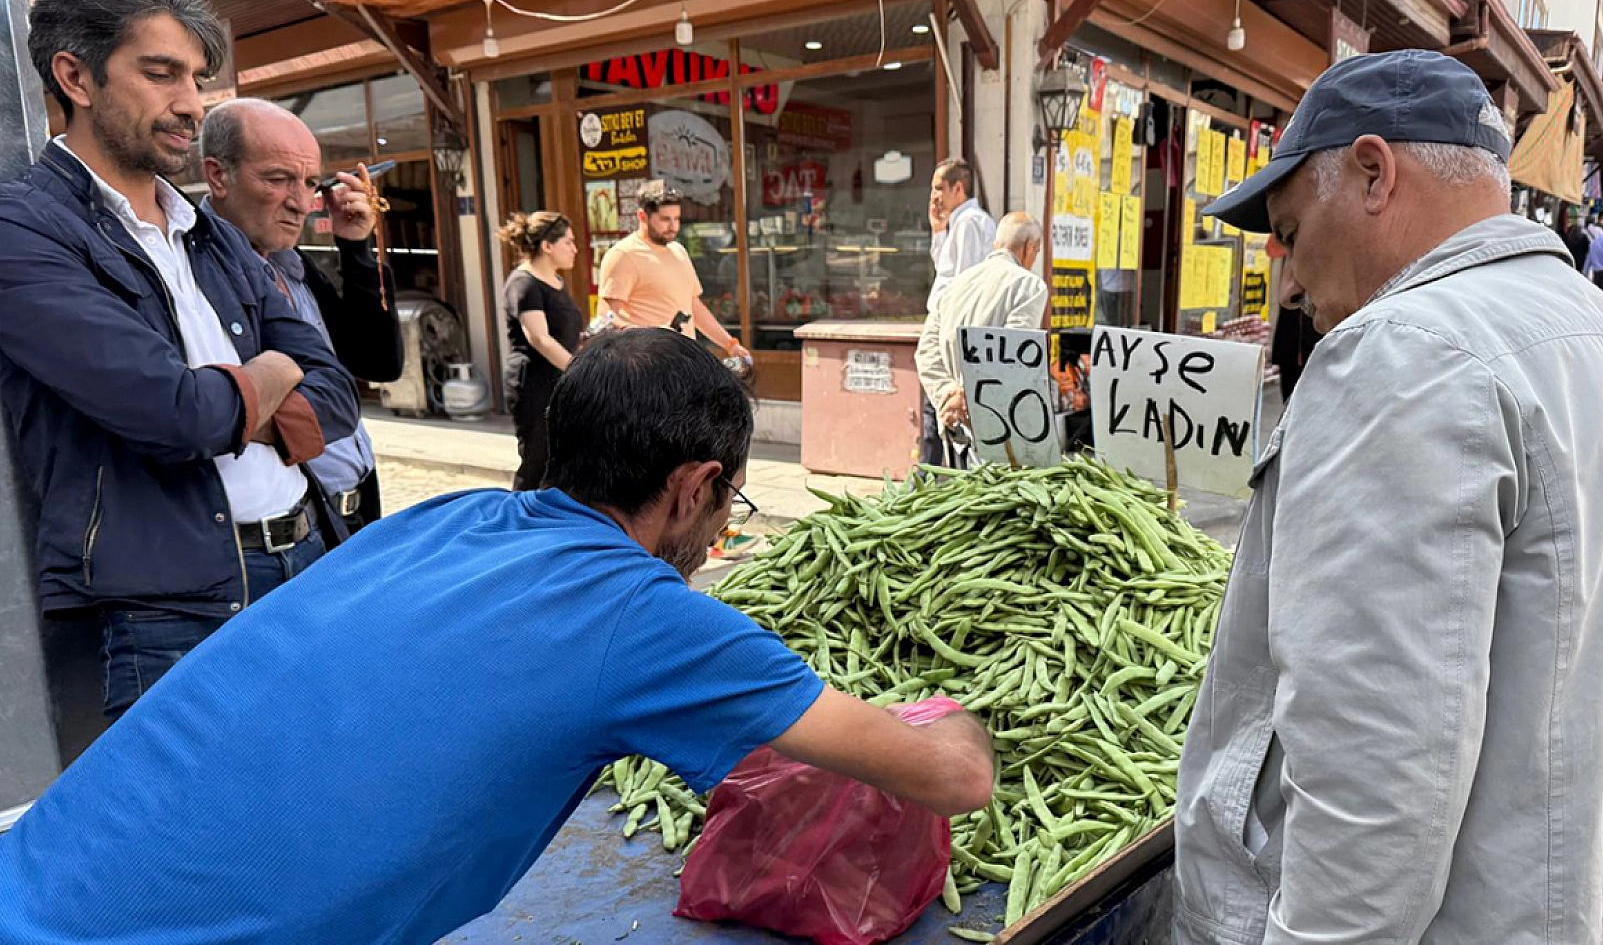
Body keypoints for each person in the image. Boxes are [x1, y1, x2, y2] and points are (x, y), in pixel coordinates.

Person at [0, 329, 998, 945]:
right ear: (696, 486)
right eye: (727, 502)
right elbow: (952, 778)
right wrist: (955, 719)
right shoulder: (642, 614)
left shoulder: (449, 518)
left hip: (33, 878)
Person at [1185, 50, 1603, 944]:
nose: (1288, 286)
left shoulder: (1401, 355)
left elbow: (1372, 801)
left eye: (1291, 233)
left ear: (1374, 174)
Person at [0, 0, 358, 721]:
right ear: (76, 76)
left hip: (309, 558)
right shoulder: (25, 227)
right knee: (205, 799)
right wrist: (269, 374)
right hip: (171, 609)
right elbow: (178, 416)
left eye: (197, 79)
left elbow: (337, 392)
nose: (192, 104)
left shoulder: (207, 231)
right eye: (162, 74)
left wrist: (235, 401)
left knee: (321, 781)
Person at [201, 98, 401, 534]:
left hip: (356, 506)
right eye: (278, 179)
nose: (302, 203)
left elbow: (379, 363)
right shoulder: (194, 267)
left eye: (310, 183)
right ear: (218, 175)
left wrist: (356, 249)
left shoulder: (292, 264)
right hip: (291, 525)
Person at [915, 211, 1048, 464]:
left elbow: (926, 351)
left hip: (955, 422)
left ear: (996, 244)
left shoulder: (955, 285)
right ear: (1029, 248)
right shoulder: (1029, 286)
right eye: (1037, 251)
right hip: (998, 426)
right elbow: (1010, 358)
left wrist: (949, 393)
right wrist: (967, 396)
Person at [597, 180, 749, 360]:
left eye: (677, 219)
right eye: (665, 219)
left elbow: (693, 307)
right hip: (647, 362)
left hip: (684, 360)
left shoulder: (679, 251)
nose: (673, 226)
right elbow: (607, 318)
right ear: (642, 216)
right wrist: (651, 338)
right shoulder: (623, 254)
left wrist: (729, 344)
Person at [497, 211, 583, 491]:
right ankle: (519, 514)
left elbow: (563, 334)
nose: (575, 249)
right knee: (537, 461)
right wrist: (580, 371)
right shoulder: (524, 283)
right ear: (547, 246)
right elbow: (540, 338)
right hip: (534, 384)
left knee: (564, 462)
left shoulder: (556, 281)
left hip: (561, 382)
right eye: (568, 242)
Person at [922, 158, 997, 466]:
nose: (935, 196)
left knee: (941, 406)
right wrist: (938, 230)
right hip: (948, 323)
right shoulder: (961, 222)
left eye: (939, 188)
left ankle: (929, 476)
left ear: (958, 188)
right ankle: (929, 474)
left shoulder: (969, 223)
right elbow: (946, 269)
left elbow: (963, 282)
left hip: (952, 326)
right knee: (936, 406)